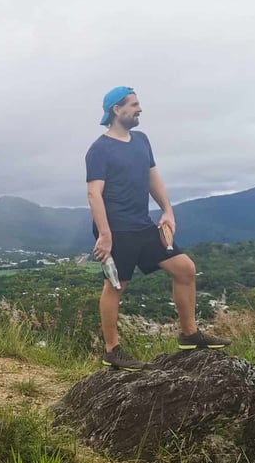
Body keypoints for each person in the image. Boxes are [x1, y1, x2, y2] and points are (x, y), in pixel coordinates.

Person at [85, 86, 229, 371]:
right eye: (134, 104)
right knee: (116, 286)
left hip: (144, 226)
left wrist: (168, 210)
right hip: (117, 231)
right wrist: (104, 234)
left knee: (185, 268)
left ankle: (189, 335)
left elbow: (152, 177)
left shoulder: (141, 140)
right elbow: (94, 194)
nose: (140, 109)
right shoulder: (99, 150)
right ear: (117, 110)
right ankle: (112, 350)